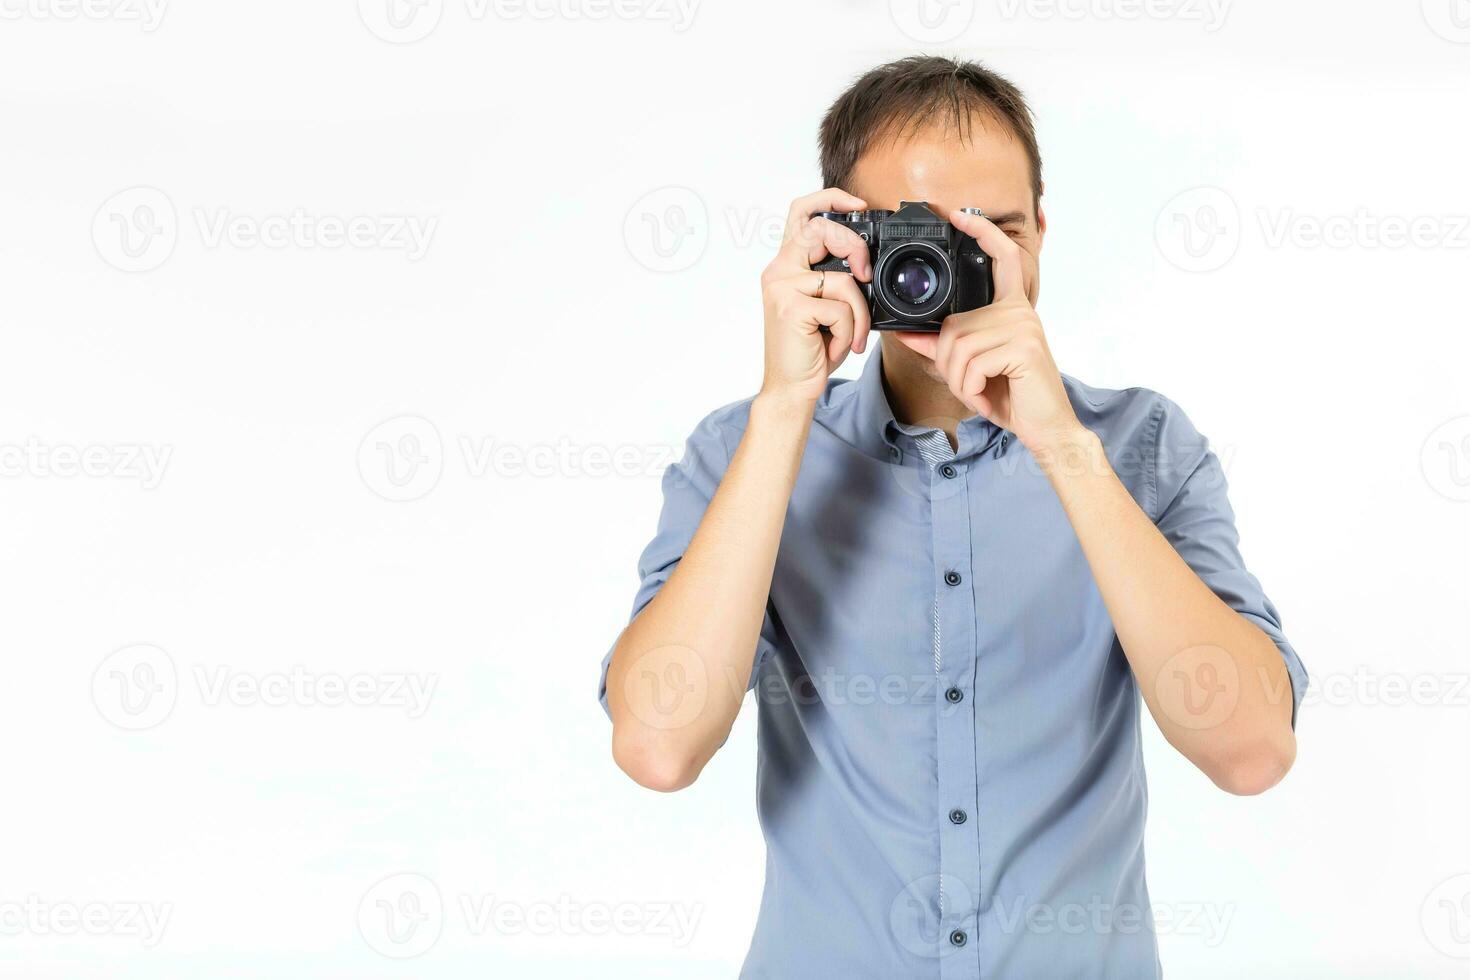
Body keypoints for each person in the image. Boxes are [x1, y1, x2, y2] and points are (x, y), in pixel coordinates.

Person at [598, 55, 1307, 978]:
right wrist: (785, 408)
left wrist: (1059, 438)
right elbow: (658, 746)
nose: (947, 270)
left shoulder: (1144, 445)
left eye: (993, 232)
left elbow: (1251, 753)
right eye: (915, 239)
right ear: (835, 240)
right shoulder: (741, 452)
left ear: (1041, 236)